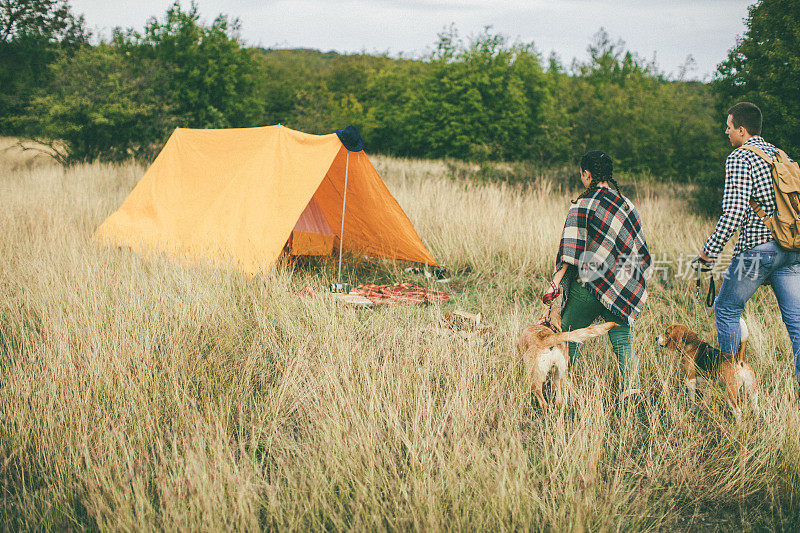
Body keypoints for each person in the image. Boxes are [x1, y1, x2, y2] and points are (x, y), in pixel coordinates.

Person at [694, 102, 800, 393]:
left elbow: (733, 213)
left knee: (726, 309)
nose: (725, 131)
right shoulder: (780, 155)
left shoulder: (740, 157)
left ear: (742, 130)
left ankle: (729, 385)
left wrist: (708, 252)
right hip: (791, 248)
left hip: (758, 249)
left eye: (729, 127)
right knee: (797, 324)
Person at [544, 151, 652, 400]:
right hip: (621, 287)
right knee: (623, 342)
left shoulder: (582, 204)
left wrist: (555, 284)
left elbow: (569, 253)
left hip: (588, 287)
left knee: (567, 336)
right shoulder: (627, 205)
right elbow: (639, 250)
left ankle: (557, 391)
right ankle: (631, 389)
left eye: (582, 173)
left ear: (587, 174)